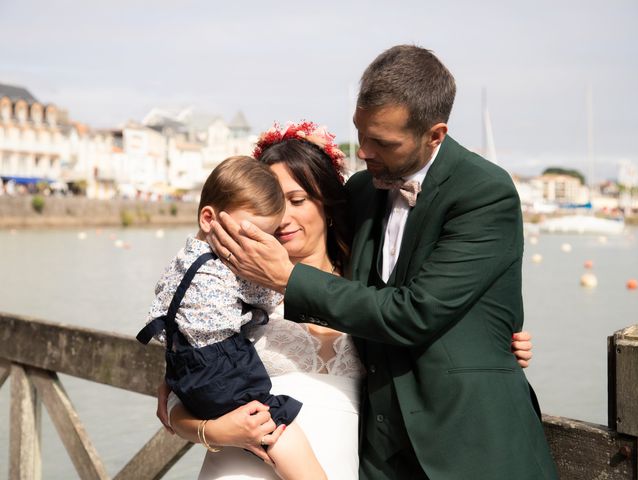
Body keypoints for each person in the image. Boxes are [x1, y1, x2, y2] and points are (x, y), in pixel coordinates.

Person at [208, 45, 558, 479]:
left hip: (470, 445)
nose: (365, 150)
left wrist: (287, 279)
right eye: (361, 132)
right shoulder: (359, 191)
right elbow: (324, 255)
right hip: (377, 455)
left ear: (435, 134)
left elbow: (417, 311)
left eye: (382, 142)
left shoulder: (485, 192)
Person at [159, 122, 536, 479]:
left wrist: (493, 343)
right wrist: (219, 431)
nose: (283, 217)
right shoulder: (226, 291)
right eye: (270, 203)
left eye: (296, 199)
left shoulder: (368, 289)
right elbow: (176, 394)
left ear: (325, 202)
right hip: (241, 468)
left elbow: (422, 318)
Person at [140, 155, 326, 480]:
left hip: (186, 363)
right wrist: (214, 432)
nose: (259, 242)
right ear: (210, 218)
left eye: (298, 199)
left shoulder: (180, 261)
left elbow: (163, 300)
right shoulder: (232, 267)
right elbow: (267, 296)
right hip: (222, 369)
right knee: (276, 424)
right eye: (251, 233)